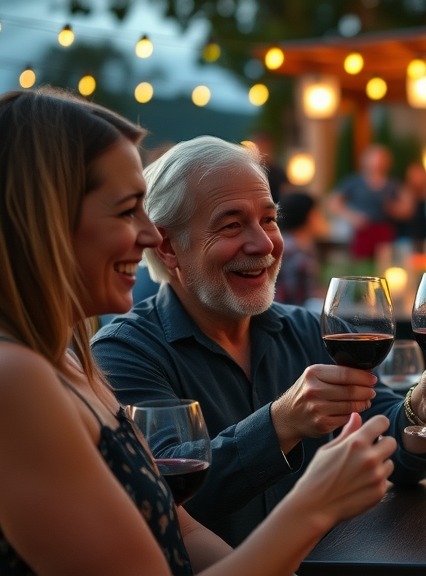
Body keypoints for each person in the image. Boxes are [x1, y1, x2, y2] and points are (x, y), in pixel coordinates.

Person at [0, 88, 397, 575]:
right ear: (49, 222)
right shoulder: (18, 377)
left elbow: (179, 529)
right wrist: (315, 504)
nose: (149, 236)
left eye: (269, 219)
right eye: (128, 211)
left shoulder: (68, 363)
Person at [92, 136, 426, 546]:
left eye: (269, 220)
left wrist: (424, 407)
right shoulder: (123, 353)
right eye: (232, 224)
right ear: (168, 247)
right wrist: (281, 423)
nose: (264, 244)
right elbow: (165, 497)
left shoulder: (307, 330)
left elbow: (388, 447)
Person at [328, 144, 411, 260]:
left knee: (384, 263)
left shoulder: (393, 184)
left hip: (384, 231)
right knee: (361, 265)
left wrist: (395, 209)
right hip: (362, 231)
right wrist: (352, 216)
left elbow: (408, 208)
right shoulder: (355, 182)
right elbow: (333, 203)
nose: (377, 163)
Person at [274, 191, 329, 312]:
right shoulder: (295, 252)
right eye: (319, 213)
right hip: (289, 317)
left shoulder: (302, 246)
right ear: (310, 216)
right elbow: (301, 296)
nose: (323, 218)